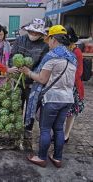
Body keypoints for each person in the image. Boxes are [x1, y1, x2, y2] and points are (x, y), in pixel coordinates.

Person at [20, 25, 77, 168]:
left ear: (53, 39)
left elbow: (42, 79)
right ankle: (57, 158)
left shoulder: (52, 57)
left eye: (49, 39)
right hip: (68, 99)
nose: (48, 43)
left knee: (45, 129)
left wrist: (28, 72)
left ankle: (41, 157)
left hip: (52, 99)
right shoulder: (72, 57)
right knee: (58, 129)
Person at [9, 18, 49, 138]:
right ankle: (15, 128)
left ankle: (28, 130)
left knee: (31, 107)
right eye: (32, 32)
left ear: (41, 34)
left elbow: (43, 64)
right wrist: (14, 67)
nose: (33, 35)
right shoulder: (20, 40)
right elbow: (12, 56)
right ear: (28, 30)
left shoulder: (44, 46)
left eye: (37, 33)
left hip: (33, 83)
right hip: (18, 80)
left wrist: (29, 72)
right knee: (16, 105)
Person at [64, 26, 85, 143]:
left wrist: (67, 79)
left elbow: (79, 71)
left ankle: (66, 135)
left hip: (73, 86)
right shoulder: (61, 49)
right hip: (62, 84)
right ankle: (58, 133)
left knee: (71, 112)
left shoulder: (76, 51)